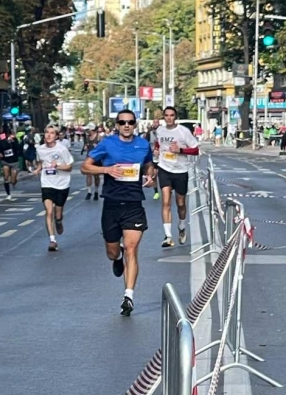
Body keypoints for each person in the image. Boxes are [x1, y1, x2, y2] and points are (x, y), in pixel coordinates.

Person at [81, 109, 154, 316]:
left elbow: (149, 164)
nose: (126, 125)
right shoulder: (107, 144)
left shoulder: (143, 145)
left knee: (132, 249)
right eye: (122, 122)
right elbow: (85, 167)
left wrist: (150, 176)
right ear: (117, 125)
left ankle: (128, 296)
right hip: (112, 204)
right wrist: (107, 170)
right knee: (113, 251)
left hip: (134, 205)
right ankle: (116, 257)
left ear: (135, 124)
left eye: (130, 122)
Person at [154, 106, 199, 247]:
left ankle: (181, 226)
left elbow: (196, 150)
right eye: (166, 115)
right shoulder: (159, 130)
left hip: (180, 171)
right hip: (164, 168)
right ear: (163, 117)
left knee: (180, 204)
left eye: (171, 115)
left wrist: (180, 150)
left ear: (175, 117)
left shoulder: (183, 131)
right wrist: (156, 153)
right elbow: (158, 144)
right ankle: (168, 236)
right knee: (165, 202)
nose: (169, 118)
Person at [34, 125, 74, 251]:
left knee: (58, 213)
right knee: (49, 211)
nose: (49, 135)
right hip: (47, 183)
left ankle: (59, 220)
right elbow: (41, 161)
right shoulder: (40, 149)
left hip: (62, 183)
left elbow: (69, 167)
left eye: (52, 133)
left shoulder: (62, 149)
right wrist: (38, 169)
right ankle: (52, 239)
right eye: (46, 132)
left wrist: (57, 166)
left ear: (56, 136)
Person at [0, 132, 20, 200]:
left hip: (14, 161)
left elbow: (18, 147)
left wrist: (13, 141)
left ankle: (14, 180)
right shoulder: (1, 141)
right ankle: (8, 194)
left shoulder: (13, 139)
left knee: (13, 181)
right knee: (6, 177)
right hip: (5, 161)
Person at [80, 123, 101, 201]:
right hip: (88, 158)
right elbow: (85, 145)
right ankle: (89, 192)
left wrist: (97, 147)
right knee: (88, 175)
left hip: (97, 159)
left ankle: (96, 191)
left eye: (88, 129)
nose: (87, 131)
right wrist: (83, 149)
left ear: (92, 129)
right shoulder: (87, 137)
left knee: (96, 176)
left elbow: (103, 147)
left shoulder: (99, 137)